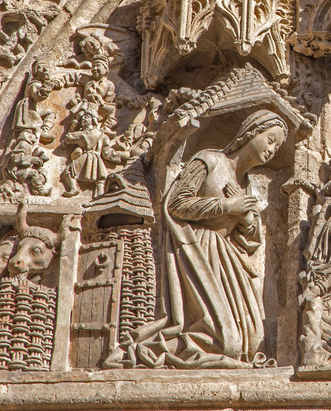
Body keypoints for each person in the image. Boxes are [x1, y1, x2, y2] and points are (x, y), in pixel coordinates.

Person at [108, 110, 287, 369]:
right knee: (225, 342)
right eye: (270, 140)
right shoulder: (209, 160)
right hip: (198, 250)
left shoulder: (246, 184)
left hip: (227, 260)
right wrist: (226, 206)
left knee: (254, 341)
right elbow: (177, 203)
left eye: (278, 147)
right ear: (251, 133)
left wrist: (247, 221)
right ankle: (145, 352)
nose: (273, 150)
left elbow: (248, 240)